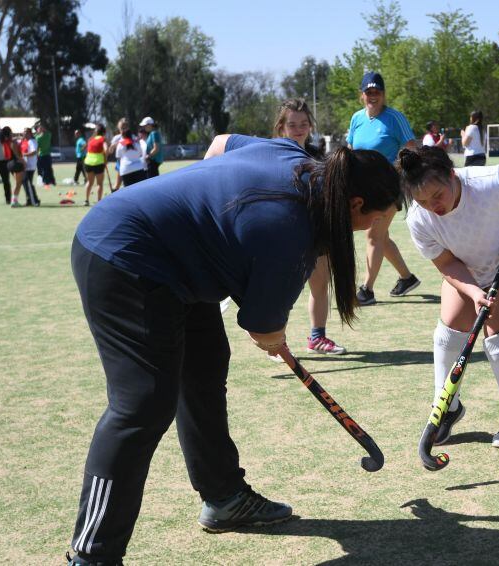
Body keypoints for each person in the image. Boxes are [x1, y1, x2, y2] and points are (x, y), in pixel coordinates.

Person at [65, 134, 403, 566]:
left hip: (179, 266)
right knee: (142, 404)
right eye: (374, 218)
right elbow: (263, 328)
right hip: (123, 253)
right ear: (355, 204)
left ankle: (224, 497)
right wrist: (271, 335)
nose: (371, 228)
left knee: (205, 369)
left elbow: (221, 143)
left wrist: (210, 226)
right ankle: (92, 555)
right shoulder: (291, 231)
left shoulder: (294, 155)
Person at [399, 145, 499, 448]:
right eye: (423, 201)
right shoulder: (418, 219)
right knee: (448, 333)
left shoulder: (491, 181)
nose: (433, 206)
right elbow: (446, 263)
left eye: (437, 195)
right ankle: (447, 408)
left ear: (452, 176)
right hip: (467, 269)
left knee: (497, 337)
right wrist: (472, 291)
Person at [273, 98, 346, 354]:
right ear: (281, 126)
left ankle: (317, 337)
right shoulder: (273, 153)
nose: (299, 128)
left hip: (316, 232)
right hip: (285, 233)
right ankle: (275, 343)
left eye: (304, 123)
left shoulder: (319, 156)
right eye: (292, 124)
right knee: (281, 291)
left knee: (320, 285)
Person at [347, 71, 421, 306]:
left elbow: (411, 150)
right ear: (362, 95)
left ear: (383, 94)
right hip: (362, 187)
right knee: (381, 236)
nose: (373, 96)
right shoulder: (357, 118)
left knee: (373, 235)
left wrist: (396, 175)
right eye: (369, 92)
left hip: (389, 186)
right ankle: (407, 278)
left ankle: (367, 290)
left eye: (377, 91)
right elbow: (350, 149)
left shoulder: (394, 118)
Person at [82, 124, 108, 206]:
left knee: (89, 182)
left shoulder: (91, 139)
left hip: (88, 163)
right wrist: (105, 159)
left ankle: (86, 200)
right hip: (98, 163)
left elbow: (85, 149)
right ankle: (99, 201)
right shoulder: (103, 139)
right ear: (104, 132)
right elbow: (106, 149)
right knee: (99, 184)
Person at [2, 127, 26, 207]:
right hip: (16, 163)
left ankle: (14, 201)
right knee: (18, 184)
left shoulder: (4, 142)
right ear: (9, 133)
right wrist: (23, 162)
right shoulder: (13, 142)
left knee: (17, 183)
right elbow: (17, 155)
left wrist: (19, 137)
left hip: (9, 164)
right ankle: (14, 202)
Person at [0, 114, 12, 205]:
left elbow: (9, 142)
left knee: (6, 181)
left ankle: (8, 199)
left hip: (3, 160)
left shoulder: (3, 132)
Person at [20, 127, 40, 206]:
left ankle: (35, 200)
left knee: (27, 182)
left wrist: (24, 155)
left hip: (30, 166)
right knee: (25, 182)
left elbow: (34, 152)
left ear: (29, 133)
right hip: (26, 165)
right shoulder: (27, 141)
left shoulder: (32, 141)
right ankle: (30, 200)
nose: (24, 133)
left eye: (25, 132)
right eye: (23, 131)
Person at [108, 118, 128, 191]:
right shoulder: (117, 138)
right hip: (120, 163)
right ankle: (114, 195)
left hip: (129, 162)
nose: (123, 130)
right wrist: (113, 146)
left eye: (125, 128)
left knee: (129, 184)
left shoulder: (131, 136)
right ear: (119, 128)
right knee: (118, 184)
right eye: (122, 128)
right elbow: (110, 151)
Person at [35, 123, 56, 188]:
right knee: (47, 168)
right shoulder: (46, 135)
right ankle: (51, 181)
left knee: (45, 169)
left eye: (41, 128)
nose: (40, 129)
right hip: (43, 155)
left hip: (43, 155)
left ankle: (46, 181)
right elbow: (37, 147)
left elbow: (37, 147)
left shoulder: (38, 137)